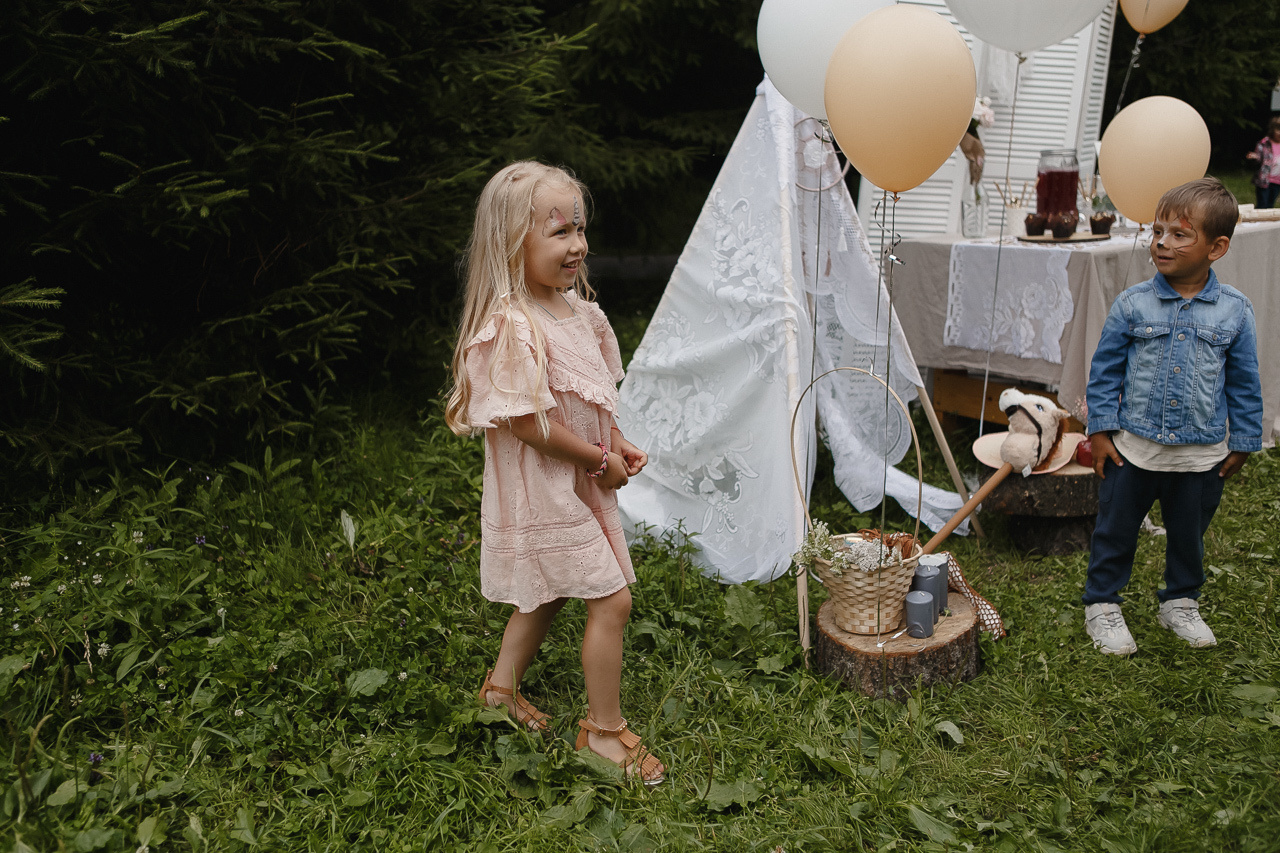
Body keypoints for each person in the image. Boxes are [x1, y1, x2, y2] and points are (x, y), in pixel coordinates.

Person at [444, 161, 664, 784]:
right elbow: (527, 424)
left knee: (554, 588)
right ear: (514, 244)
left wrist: (617, 440)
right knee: (612, 600)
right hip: (544, 488)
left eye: (580, 230)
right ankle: (603, 732)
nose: (579, 246)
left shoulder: (581, 315)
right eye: (560, 232)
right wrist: (599, 460)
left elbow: (594, 396)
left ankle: (500, 690)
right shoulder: (513, 328)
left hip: (578, 479)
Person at [1082, 177, 1263, 656]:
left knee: (1189, 536)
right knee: (1115, 530)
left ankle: (1180, 600)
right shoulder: (1133, 304)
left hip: (1200, 457)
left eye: (1180, 234)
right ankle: (1102, 603)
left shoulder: (1235, 312)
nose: (1162, 242)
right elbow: (1104, 372)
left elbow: (1245, 382)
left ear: (1216, 247)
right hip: (1133, 450)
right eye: (1158, 231)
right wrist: (1101, 431)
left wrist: (1245, 440)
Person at [1245, 116, 1280, 209]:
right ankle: (1258, 222)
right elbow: (1259, 157)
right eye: (1278, 129)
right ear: (1272, 129)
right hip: (1264, 179)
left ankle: (1267, 222)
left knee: (1270, 204)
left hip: (1277, 181)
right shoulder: (1265, 143)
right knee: (1262, 204)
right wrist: (1254, 157)